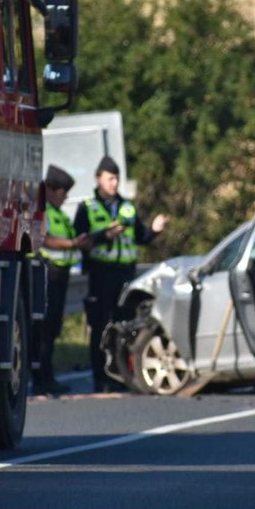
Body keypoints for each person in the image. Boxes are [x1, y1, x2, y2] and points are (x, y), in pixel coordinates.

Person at [74, 156, 169, 393]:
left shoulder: (127, 206)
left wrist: (154, 230)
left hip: (125, 273)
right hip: (100, 273)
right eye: (110, 178)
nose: (114, 183)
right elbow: (80, 240)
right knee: (100, 327)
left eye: (116, 178)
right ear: (99, 179)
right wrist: (104, 236)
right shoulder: (87, 207)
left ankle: (122, 375)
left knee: (125, 326)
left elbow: (140, 236)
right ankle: (100, 377)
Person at [35, 165, 90, 395]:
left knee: (54, 327)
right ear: (50, 190)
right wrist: (73, 244)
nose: (65, 197)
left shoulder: (59, 214)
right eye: (62, 192)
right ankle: (41, 378)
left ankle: (48, 376)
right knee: (45, 329)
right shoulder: (43, 211)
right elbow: (45, 239)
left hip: (61, 275)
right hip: (48, 273)